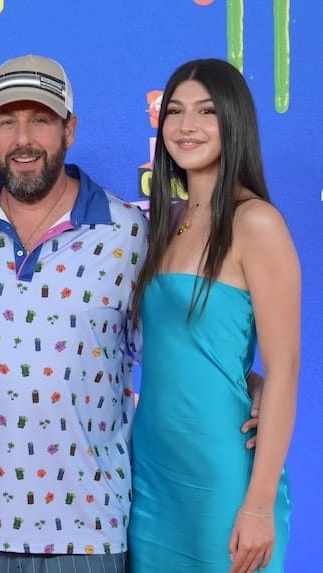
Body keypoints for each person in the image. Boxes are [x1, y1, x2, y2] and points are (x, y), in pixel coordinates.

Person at [0, 54, 148, 572]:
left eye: (41, 119)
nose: (23, 139)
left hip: (88, 534)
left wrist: (245, 384)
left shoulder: (128, 233)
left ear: (70, 128)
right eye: (8, 121)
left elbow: (167, 358)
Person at [128, 58, 297, 573]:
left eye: (206, 111)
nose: (186, 126)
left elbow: (286, 367)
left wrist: (259, 504)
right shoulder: (166, 222)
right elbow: (188, 344)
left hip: (221, 478)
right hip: (151, 473)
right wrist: (244, 376)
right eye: (175, 111)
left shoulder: (257, 223)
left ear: (234, 121)